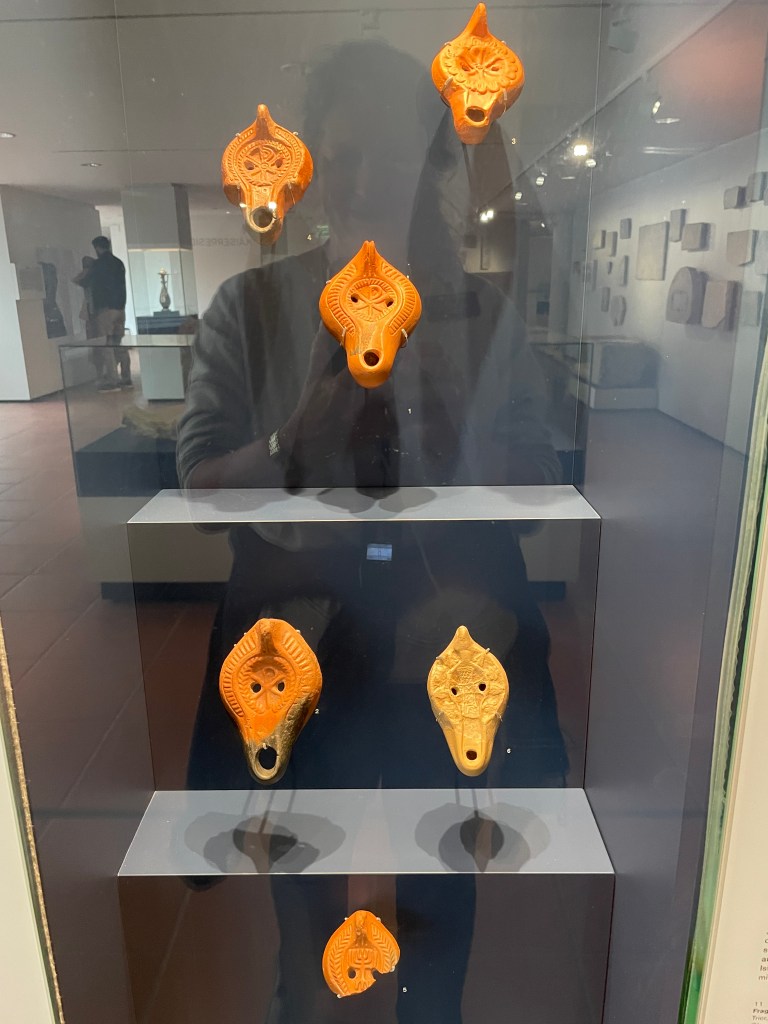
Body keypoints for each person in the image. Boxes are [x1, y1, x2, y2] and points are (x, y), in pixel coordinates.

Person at [176, 40, 566, 1023]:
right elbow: (199, 485)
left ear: (424, 165)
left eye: (386, 155)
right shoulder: (251, 306)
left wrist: (455, 430)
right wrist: (295, 436)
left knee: (441, 903)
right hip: (306, 654)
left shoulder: (477, 314)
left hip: (449, 643)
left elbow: (538, 486)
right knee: (305, 912)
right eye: (342, 156)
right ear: (310, 166)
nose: (359, 181)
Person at [82, 235, 132, 391]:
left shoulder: (98, 265)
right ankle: (126, 377)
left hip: (105, 310)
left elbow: (83, 281)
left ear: (97, 248)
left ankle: (112, 379)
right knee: (118, 343)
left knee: (107, 345)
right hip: (120, 308)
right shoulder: (118, 263)